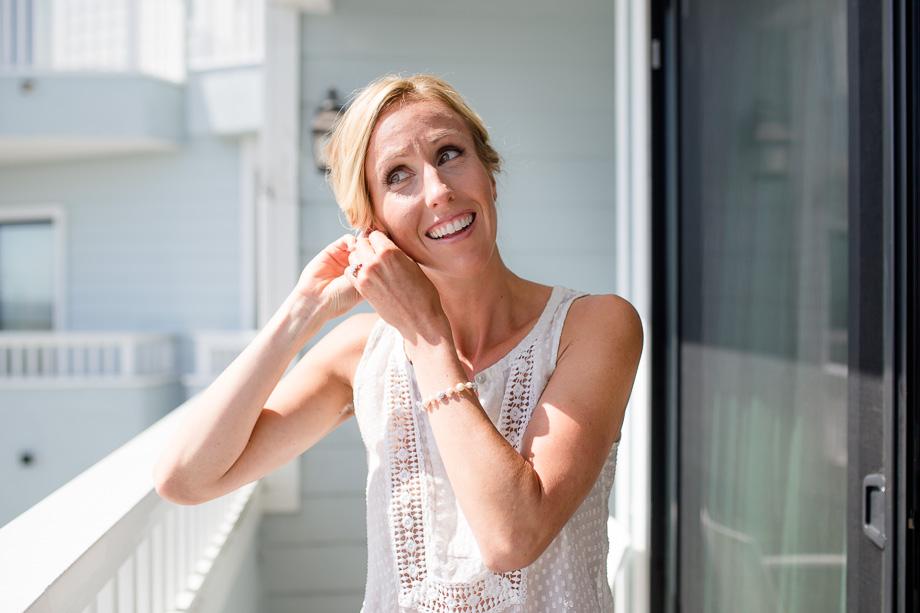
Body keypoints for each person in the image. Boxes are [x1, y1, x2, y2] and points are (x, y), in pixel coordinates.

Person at [154, 74, 643, 612]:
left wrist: (428, 336)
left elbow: (512, 538)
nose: (438, 191)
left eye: (449, 154)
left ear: (489, 172)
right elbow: (186, 479)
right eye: (398, 176)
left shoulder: (594, 326)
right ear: (372, 223)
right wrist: (301, 312)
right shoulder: (361, 353)